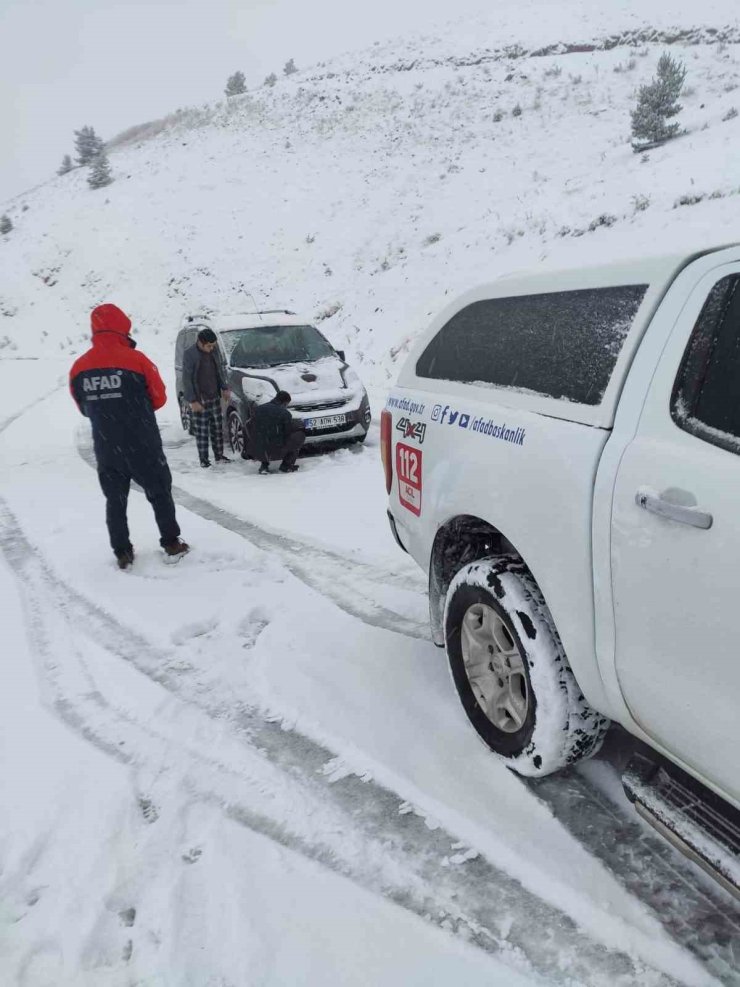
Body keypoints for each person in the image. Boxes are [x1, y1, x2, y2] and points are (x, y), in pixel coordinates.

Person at [70, 303, 189, 569]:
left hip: (106, 446)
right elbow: (159, 398)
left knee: (115, 500)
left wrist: (106, 409)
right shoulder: (138, 360)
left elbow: (83, 407)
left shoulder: (79, 368)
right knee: (159, 493)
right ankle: (171, 541)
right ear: (123, 327)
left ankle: (122, 551)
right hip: (143, 443)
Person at [182, 328, 231, 468]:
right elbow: (187, 379)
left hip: (214, 395)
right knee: (202, 431)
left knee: (217, 428)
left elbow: (219, 371)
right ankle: (204, 460)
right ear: (200, 343)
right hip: (199, 399)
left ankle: (219, 455)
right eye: (209, 346)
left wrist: (225, 387)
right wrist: (192, 400)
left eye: (213, 346)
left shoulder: (213, 351)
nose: (211, 348)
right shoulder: (190, 354)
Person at [246, 391, 305, 474]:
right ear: (285, 402)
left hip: (256, 450)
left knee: (263, 438)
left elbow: (249, 426)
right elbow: (287, 432)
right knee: (299, 435)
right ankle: (286, 466)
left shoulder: (258, 409)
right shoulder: (285, 414)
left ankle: (264, 466)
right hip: (276, 450)